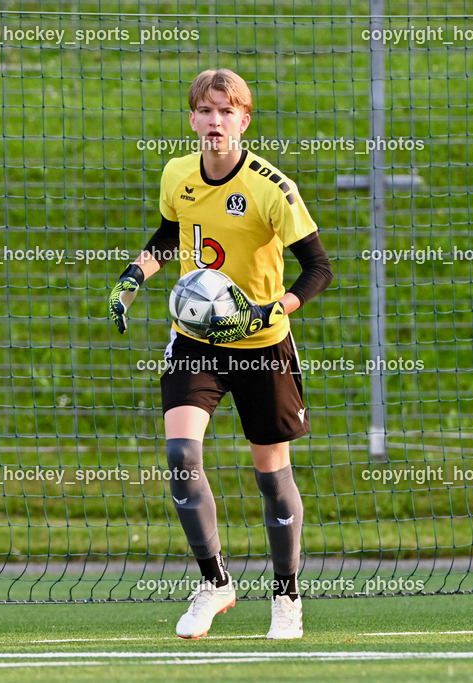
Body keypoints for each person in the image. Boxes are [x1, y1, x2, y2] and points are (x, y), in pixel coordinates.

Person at [108, 68, 333, 640]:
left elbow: (318, 269)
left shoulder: (271, 188)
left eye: (226, 112)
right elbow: (170, 236)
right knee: (182, 454)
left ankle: (286, 595)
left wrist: (275, 309)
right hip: (196, 343)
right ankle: (215, 583)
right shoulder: (177, 174)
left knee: (271, 473)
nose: (215, 122)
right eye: (206, 112)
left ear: (244, 119)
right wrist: (136, 274)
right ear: (192, 119)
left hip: (260, 345)